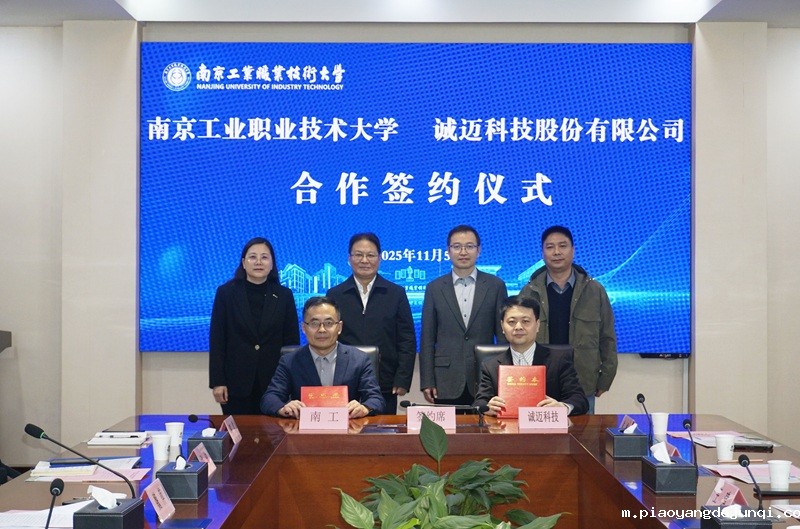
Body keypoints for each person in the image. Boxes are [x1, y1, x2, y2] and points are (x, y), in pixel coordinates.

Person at [520, 226, 617, 414]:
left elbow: (608, 337)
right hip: (539, 383)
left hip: (581, 383)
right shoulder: (529, 292)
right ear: (542, 252)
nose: (556, 252)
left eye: (562, 246)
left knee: (583, 432)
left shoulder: (594, 291)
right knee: (539, 432)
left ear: (573, 250)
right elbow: (518, 340)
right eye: (550, 247)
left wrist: (605, 378)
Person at [326, 233, 416, 414]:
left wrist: (403, 378)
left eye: (371, 255)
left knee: (382, 430)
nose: (364, 260)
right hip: (344, 381)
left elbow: (406, 339)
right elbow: (328, 338)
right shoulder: (335, 294)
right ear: (349, 258)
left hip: (384, 381)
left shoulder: (396, 293)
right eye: (358, 255)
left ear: (380, 258)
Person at [209, 237, 300, 414]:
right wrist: (218, 382)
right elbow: (217, 339)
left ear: (272, 264)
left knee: (275, 430)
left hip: (275, 384)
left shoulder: (284, 295)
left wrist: (291, 381)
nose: (258, 262)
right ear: (243, 263)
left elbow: (291, 343)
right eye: (252, 257)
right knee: (238, 431)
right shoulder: (226, 293)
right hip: (235, 383)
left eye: (264, 257)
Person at [419, 225, 508, 406]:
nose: (463, 252)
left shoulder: (495, 286)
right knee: (447, 426)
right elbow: (427, 338)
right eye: (457, 246)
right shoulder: (434, 288)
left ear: (479, 250)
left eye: (469, 246)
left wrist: (504, 376)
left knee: (485, 425)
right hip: (446, 379)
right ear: (448, 251)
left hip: (485, 377)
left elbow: (502, 336)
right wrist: (427, 380)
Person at [260, 296, 385, 418]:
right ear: (304, 328)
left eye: (328, 323)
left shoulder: (359, 359)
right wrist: (283, 408)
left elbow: (376, 399)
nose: (322, 330)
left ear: (339, 327)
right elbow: (269, 399)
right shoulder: (289, 361)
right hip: (303, 429)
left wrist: (364, 408)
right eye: (314, 323)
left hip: (348, 428)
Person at [473, 295, 588, 416]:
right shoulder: (491, 366)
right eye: (511, 322)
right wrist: (487, 407)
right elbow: (479, 403)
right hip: (505, 426)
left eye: (526, 321)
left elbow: (579, 400)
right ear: (502, 326)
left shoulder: (559, 360)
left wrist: (562, 407)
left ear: (537, 325)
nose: (518, 327)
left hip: (546, 427)